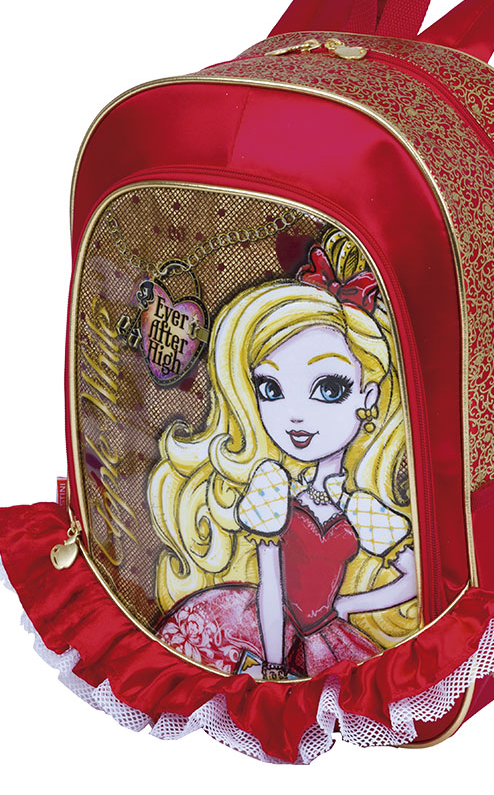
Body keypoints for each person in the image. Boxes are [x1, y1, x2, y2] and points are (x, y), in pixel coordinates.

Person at [148, 229, 418, 679]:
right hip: (261, 633)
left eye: (328, 389)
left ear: (368, 397)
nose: (295, 416)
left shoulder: (362, 508)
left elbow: (414, 579)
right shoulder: (274, 489)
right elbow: (269, 588)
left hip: (325, 636)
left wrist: (347, 607)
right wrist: (273, 666)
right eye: (271, 389)